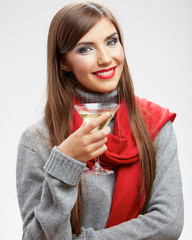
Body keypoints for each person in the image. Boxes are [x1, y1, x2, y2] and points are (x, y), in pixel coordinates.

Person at [16, 1, 184, 239]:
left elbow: (168, 223)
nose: (105, 58)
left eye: (111, 41)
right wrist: (65, 163)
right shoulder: (37, 141)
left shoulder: (155, 124)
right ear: (63, 62)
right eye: (85, 49)